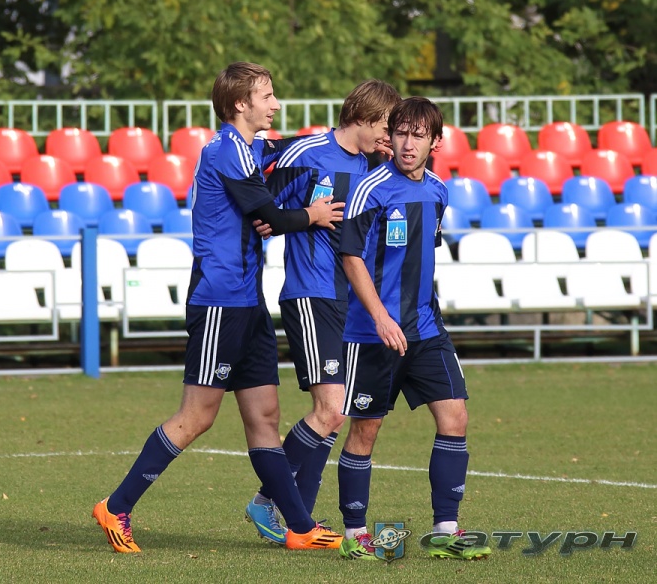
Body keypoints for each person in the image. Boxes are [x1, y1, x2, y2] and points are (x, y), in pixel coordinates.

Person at [92, 62, 344, 553]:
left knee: (265, 416)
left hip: (249, 303)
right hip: (219, 303)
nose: (276, 105)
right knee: (197, 416)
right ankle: (116, 506)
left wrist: (344, 139)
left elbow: (287, 156)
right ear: (240, 104)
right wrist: (311, 215)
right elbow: (269, 215)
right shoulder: (225, 150)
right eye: (267, 96)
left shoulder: (251, 149)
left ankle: (299, 528)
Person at [244, 80, 402, 545]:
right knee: (331, 411)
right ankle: (268, 501)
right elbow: (259, 209)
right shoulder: (306, 153)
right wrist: (295, 219)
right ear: (366, 117)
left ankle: (301, 519)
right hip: (312, 294)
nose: (389, 137)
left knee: (335, 413)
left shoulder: (374, 166)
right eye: (386, 127)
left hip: (352, 301)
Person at [335, 96, 491, 560]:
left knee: (455, 417)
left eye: (418, 136)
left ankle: (445, 529)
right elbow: (350, 256)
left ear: (434, 142)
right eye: (401, 133)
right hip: (372, 334)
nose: (407, 144)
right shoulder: (371, 188)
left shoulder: (439, 191)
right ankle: (354, 533)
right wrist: (380, 317)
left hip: (425, 329)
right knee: (365, 431)